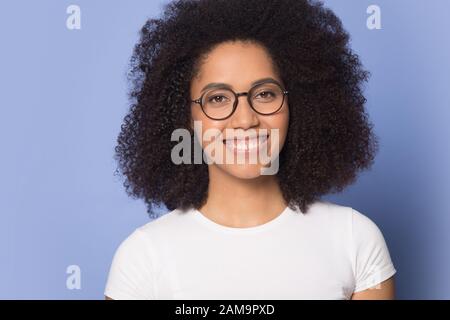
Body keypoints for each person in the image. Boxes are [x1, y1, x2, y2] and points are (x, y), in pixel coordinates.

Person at [104, 0, 396, 300]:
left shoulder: (353, 239)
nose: (245, 119)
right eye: (217, 98)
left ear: (300, 105)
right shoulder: (143, 258)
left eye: (265, 94)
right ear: (184, 116)